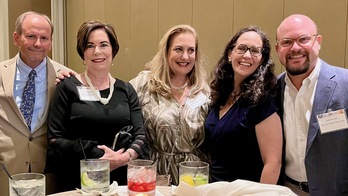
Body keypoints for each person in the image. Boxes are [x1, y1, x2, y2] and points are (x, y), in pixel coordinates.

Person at [46, 20, 148, 192]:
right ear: (83, 53)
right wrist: (96, 154)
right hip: (77, 179)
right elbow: (54, 139)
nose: (97, 51)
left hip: (121, 180)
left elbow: (141, 135)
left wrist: (122, 159)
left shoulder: (126, 89)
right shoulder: (67, 87)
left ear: (113, 51)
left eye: (103, 45)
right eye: (90, 45)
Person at [0, 11, 73, 195]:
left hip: (49, 174)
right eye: (31, 36)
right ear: (16, 38)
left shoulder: (66, 78)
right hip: (6, 172)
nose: (38, 43)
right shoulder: (1, 73)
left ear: (50, 42)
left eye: (44, 38)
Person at [276, 14, 348, 195]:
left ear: (318, 41)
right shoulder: (272, 90)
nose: (295, 48)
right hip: (287, 190)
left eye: (303, 39)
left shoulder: (345, 83)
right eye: (286, 42)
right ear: (278, 48)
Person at [130, 24, 210, 185]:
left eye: (191, 50)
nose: (185, 57)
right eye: (178, 49)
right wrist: (77, 78)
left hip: (193, 176)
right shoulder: (145, 84)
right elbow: (112, 94)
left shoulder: (204, 92)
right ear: (166, 52)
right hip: (153, 174)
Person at [203, 26, 282, 184]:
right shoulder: (220, 95)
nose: (247, 55)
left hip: (246, 192)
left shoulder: (263, 101)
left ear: (262, 59)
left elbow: (272, 164)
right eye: (242, 48)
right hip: (215, 189)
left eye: (254, 51)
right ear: (230, 54)